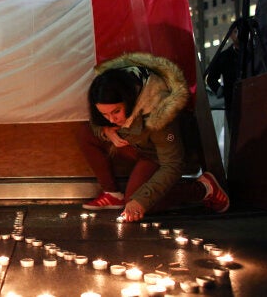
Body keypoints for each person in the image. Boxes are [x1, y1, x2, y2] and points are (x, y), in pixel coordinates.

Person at [78, 53, 230, 222]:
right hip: (135, 144)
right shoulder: (109, 87)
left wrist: (141, 201)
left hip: (155, 155)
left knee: (138, 202)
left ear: (129, 100)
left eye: (116, 112)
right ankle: (113, 194)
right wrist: (105, 131)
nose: (112, 119)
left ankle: (203, 188)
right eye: (104, 114)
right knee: (86, 132)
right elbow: (96, 123)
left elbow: (172, 164)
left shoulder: (158, 109)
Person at [205, 20, 241, 126]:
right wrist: (222, 90)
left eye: (239, 31)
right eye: (235, 32)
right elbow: (211, 78)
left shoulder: (254, 52)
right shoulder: (224, 57)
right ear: (230, 35)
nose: (238, 34)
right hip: (233, 103)